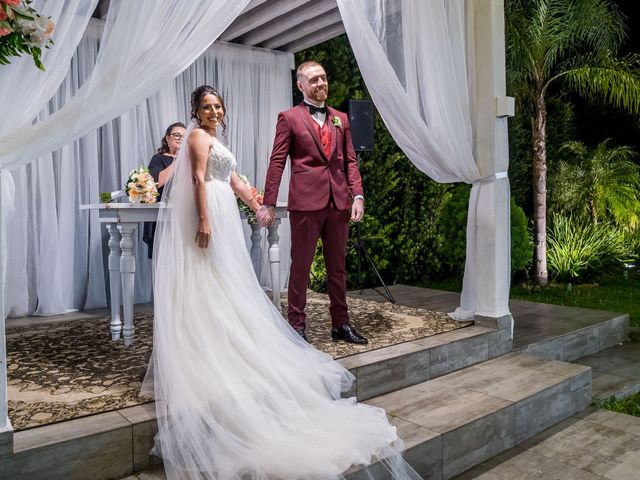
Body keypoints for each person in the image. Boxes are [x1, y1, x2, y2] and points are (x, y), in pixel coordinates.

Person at [144, 85, 420, 480]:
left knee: (230, 283)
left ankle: (229, 344)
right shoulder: (197, 138)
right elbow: (200, 181)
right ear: (196, 111)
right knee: (208, 284)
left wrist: (258, 203)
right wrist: (204, 220)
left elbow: (233, 179)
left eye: (218, 106)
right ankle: (206, 350)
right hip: (210, 214)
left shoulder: (217, 138)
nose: (214, 112)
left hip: (226, 212)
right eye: (206, 107)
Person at [257, 60, 367, 345]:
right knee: (300, 266)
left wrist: (357, 195)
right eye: (314, 80)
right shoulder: (289, 118)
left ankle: (340, 324)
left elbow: (350, 161)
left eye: (324, 78)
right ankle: (296, 325)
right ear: (301, 85)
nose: (321, 84)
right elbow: (277, 161)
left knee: (337, 268)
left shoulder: (340, 118)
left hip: (338, 202)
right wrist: (269, 201)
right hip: (305, 203)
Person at [142, 122, 186, 259]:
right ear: (167, 138)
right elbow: (158, 182)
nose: (180, 138)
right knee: (164, 258)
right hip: (164, 216)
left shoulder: (192, 159)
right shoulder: (158, 159)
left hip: (185, 214)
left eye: (184, 136)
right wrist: (178, 160)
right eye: (176, 135)